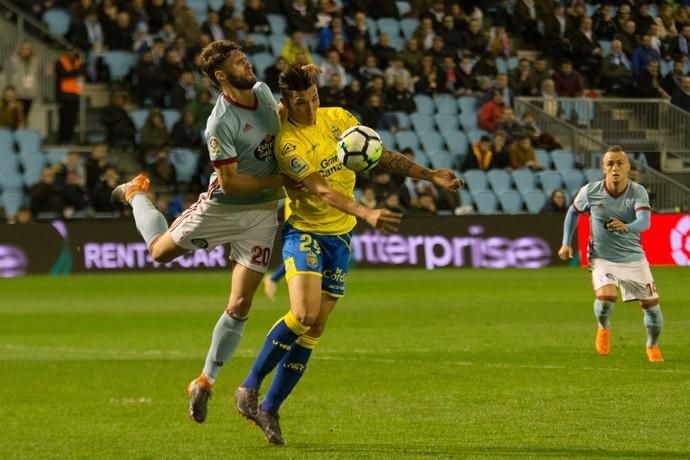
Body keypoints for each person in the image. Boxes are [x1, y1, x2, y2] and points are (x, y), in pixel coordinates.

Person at [234, 65, 461, 446]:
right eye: (301, 101)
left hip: (340, 237)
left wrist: (429, 175)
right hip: (304, 230)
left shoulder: (338, 118)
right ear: (287, 103)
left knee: (316, 328)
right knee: (303, 314)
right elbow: (322, 191)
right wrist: (369, 212)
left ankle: (271, 409)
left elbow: (378, 154)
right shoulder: (287, 143)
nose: (310, 107)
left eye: (314, 97)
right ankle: (249, 387)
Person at [110, 40, 312, 425]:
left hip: (262, 216)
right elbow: (233, 184)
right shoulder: (219, 122)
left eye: (245, 57)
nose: (247, 64)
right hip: (223, 209)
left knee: (240, 305)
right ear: (221, 75)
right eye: (238, 61)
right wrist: (284, 180)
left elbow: (281, 122)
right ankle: (135, 194)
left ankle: (205, 380)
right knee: (159, 252)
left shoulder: (264, 93)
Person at [558, 146, 664, 363]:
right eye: (610, 163)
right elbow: (572, 212)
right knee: (606, 299)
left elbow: (645, 222)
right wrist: (565, 243)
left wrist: (628, 227)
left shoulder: (638, 192)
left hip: (634, 259)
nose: (615, 167)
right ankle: (603, 327)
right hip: (602, 257)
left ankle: (652, 345)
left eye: (619, 163)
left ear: (627, 167)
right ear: (603, 167)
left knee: (652, 310)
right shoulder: (590, 191)